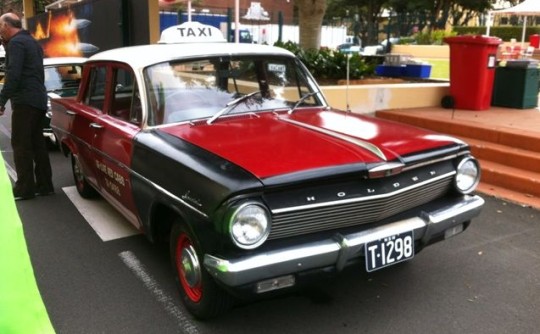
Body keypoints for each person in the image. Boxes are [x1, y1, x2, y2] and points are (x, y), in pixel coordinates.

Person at [0, 13, 53, 200]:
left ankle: (25, 189)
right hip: (38, 99)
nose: (0, 31)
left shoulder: (16, 44)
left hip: (25, 101)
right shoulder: (31, 41)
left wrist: (1, 100)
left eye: (0, 26)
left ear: (6, 26)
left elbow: (13, 75)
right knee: (38, 144)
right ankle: (45, 185)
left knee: (21, 145)